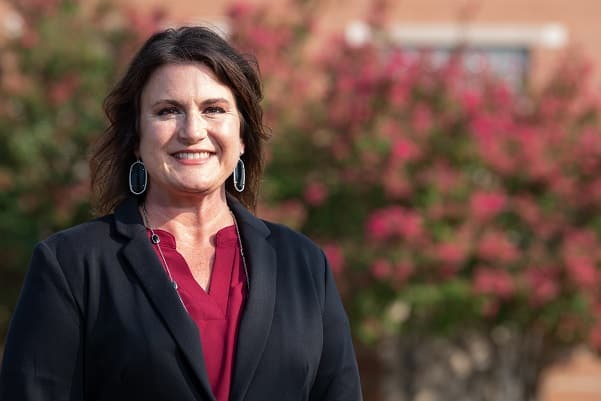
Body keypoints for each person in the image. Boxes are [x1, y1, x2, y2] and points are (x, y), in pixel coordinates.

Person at [0, 26, 363, 401]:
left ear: (242, 137)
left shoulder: (303, 265)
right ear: (136, 138)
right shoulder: (72, 265)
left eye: (214, 110)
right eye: (168, 111)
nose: (192, 131)